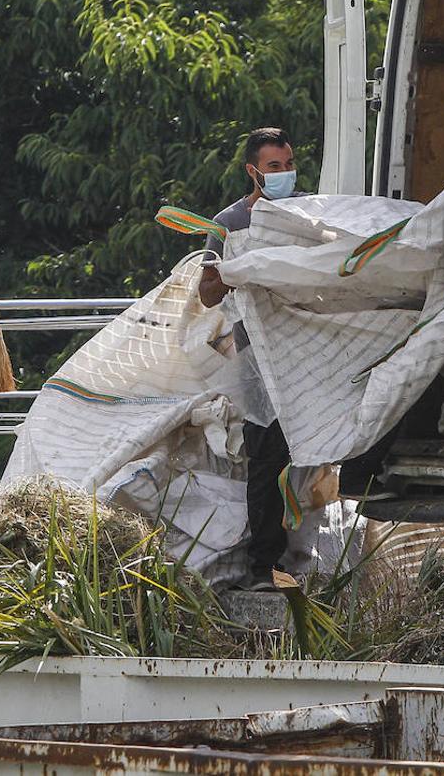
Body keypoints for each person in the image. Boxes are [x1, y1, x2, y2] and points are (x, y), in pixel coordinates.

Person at [198, 127, 304, 590]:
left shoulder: (306, 214)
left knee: (311, 448)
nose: (283, 174)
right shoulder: (228, 223)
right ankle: (264, 566)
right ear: (253, 170)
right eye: (273, 167)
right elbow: (206, 293)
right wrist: (239, 269)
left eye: (288, 164)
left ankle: (300, 554)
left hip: (305, 346)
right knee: (268, 453)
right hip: (258, 353)